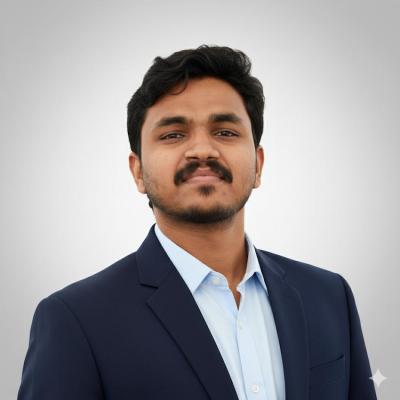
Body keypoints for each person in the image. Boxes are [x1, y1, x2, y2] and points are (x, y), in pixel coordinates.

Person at [18, 45, 377, 400]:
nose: (202, 150)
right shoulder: (77, 320)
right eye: (173, 134)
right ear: (138, 171)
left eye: (225, 132)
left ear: (258, 165)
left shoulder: (329, 297)